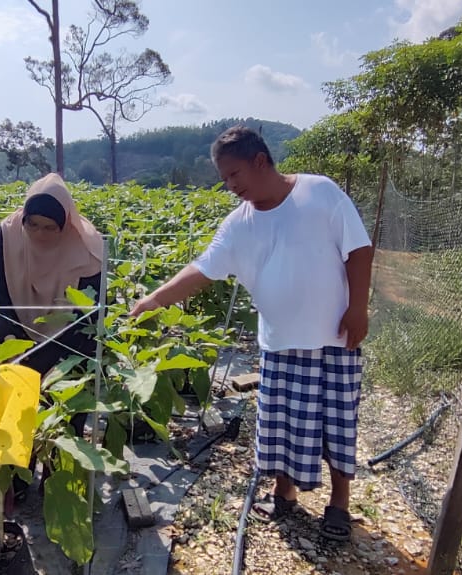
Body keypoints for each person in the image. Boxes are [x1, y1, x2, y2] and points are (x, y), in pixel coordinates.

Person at [129, 125, 374, 542]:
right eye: (224, 179)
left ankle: (339, 503)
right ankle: (285, 494)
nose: (230, 187)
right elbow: (201, 270)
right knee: (280, 425)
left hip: (334, 336)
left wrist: (357, 307)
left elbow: (359, 249)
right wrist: (154, 299)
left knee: (336, 423)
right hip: (280, 341)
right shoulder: (238, 224)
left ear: (261, 161)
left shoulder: (320, 193)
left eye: (234, 175)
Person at [0, 173, 105, 508]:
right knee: (15, 407)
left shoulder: (89, 249)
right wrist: (14, 341)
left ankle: (58, 484)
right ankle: (15, 480)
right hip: (19, 334)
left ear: (65, 224)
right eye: (33, 224)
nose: (39, 234)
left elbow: (87, 318)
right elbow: (0, 294)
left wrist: (50, 357)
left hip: (71, 344)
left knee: (66, 412)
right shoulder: (7, 236)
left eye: (49, 227)